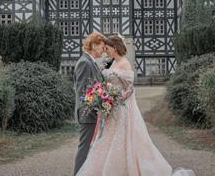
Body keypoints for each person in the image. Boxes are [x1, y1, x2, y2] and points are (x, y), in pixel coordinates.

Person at [76, 35, 195, 176]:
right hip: (111, 108)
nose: (105, 51)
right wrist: (104, 99)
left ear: (114, 47)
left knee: (122, 140)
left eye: (107, 48)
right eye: (104, 48)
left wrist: (116, 98)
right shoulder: (111, 63)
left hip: (120, 108)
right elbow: (102, 84)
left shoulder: (125, 63)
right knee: (107, 140)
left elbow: (130, 89)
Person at [73, 32, 107, 176]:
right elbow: (82, 92)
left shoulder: (91, 62)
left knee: (90, 148)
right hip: (87, 114)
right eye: (102, 46)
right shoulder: (84, 63)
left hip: (92, 113)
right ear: (93, 45)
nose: (104, 50)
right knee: (84, 148)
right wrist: (98, 104)